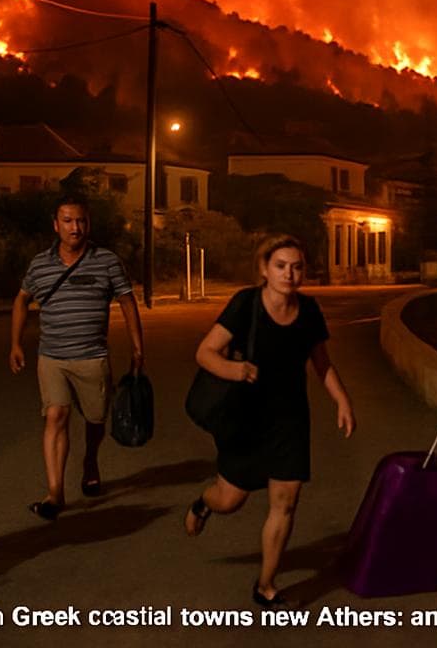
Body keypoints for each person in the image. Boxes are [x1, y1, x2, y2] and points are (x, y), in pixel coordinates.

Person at [183, 235, 356, 607]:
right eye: (281, 265)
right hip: (245, 417)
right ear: (264, 269)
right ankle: (203, 503)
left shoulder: (308, 310)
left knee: (286, 501)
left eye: (297, 267)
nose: (289, 273)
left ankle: (266, 584)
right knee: (231, 499)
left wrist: (341, 399)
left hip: (290, 419)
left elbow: (321, 362)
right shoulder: (246, 304)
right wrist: (234, 369)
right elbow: (205, 352)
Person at [10, 194, 145, 520]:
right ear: (56, 225)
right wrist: (14, 343)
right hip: (52, 357)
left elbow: (127, 302)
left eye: (81, 220)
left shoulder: (107, 261)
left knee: (95, 420)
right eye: (68, 221)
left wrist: (138, 347)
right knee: (55, 416)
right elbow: (21, 299)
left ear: (89, 223)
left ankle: (90, 461)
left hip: (92, 357)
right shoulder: (40, 264)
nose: (75, 227)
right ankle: (55, 494)